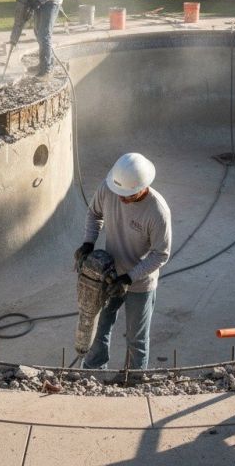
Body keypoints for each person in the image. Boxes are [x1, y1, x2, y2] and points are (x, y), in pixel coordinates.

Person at [74, 152, 172, 371]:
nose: (121, 198)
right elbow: (94, 214)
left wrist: (129, 278)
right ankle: (94, 374)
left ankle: (134, 380)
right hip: (109, 276)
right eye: (119, 193)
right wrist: (88, 242)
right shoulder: (110, 187)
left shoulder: (157, 212)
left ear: (143, 187)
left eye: (127, 195)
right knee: (100, 329)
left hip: (140, 283)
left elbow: (160, 254)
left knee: (136, 339)